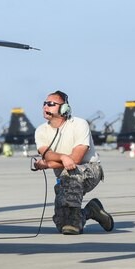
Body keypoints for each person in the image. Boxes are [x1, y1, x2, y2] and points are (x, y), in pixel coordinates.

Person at [32, 90, 114, 235]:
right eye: (44, 103)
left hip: (90, 170)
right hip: (64, 178)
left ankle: (75, 223)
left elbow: (75, 159)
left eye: (51, 104)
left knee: (70, 175)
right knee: (61, 223)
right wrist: (62, 158)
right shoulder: (41, 131)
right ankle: (91, 210)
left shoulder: (79, 124)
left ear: (64, 108)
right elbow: (47, 153)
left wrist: (49, 164)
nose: (45, 107)